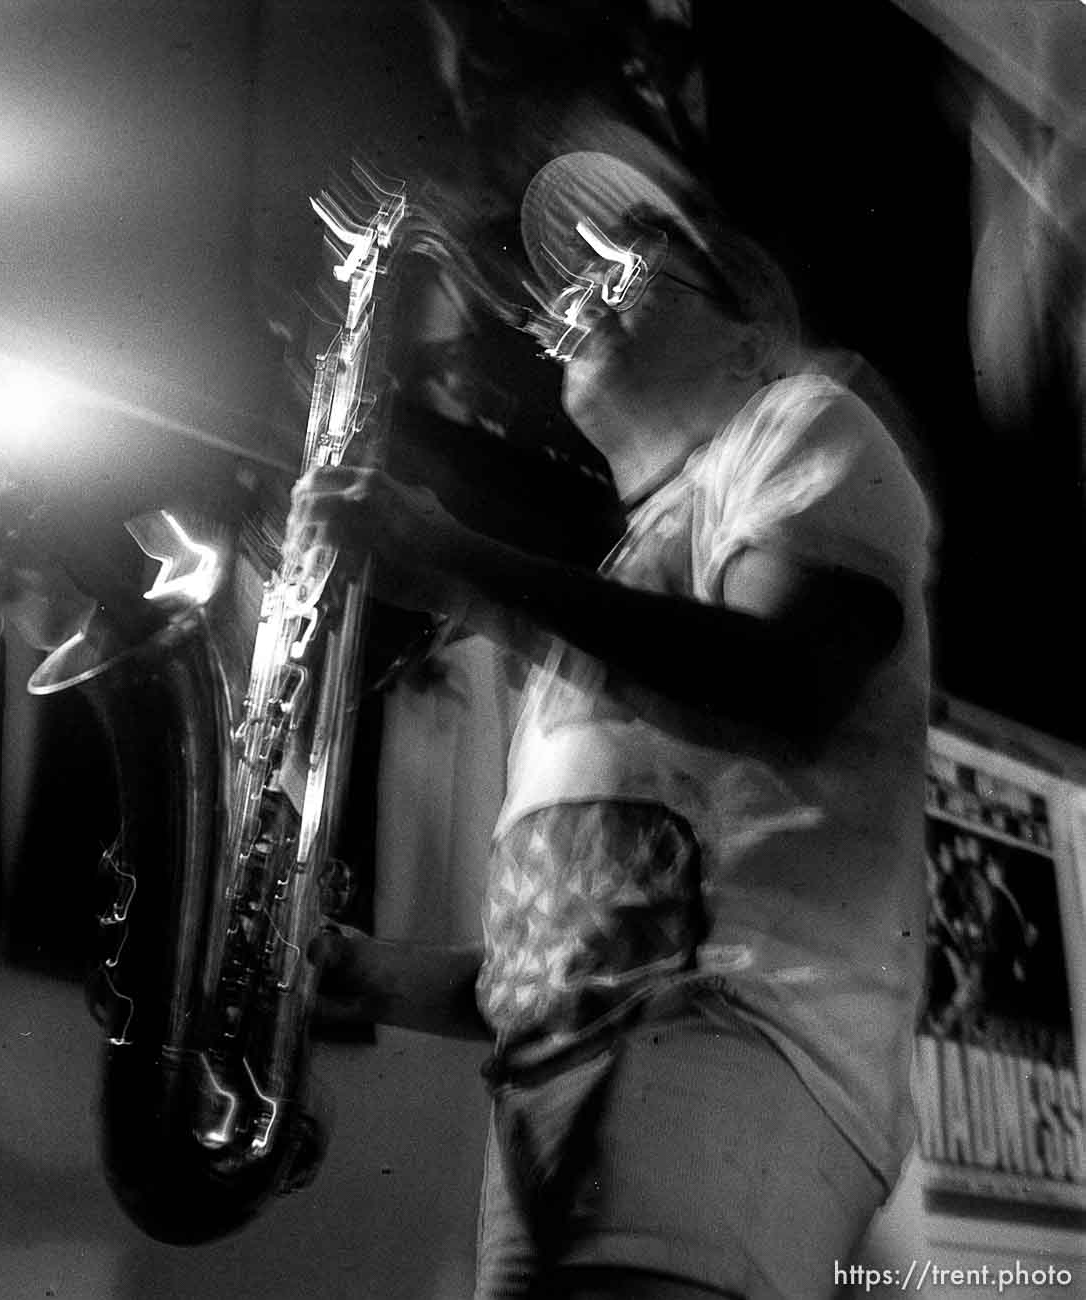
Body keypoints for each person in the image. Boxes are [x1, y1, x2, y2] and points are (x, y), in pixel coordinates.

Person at [294, 150, 932, 1299]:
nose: (581, 293)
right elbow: (597, 935)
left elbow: (787, 679)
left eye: (634, 267)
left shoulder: (799, 421)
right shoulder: (625, 579)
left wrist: (459, 566)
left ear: (748, 340)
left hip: (730, 1053)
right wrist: (369, 975)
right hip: (568, 1094)